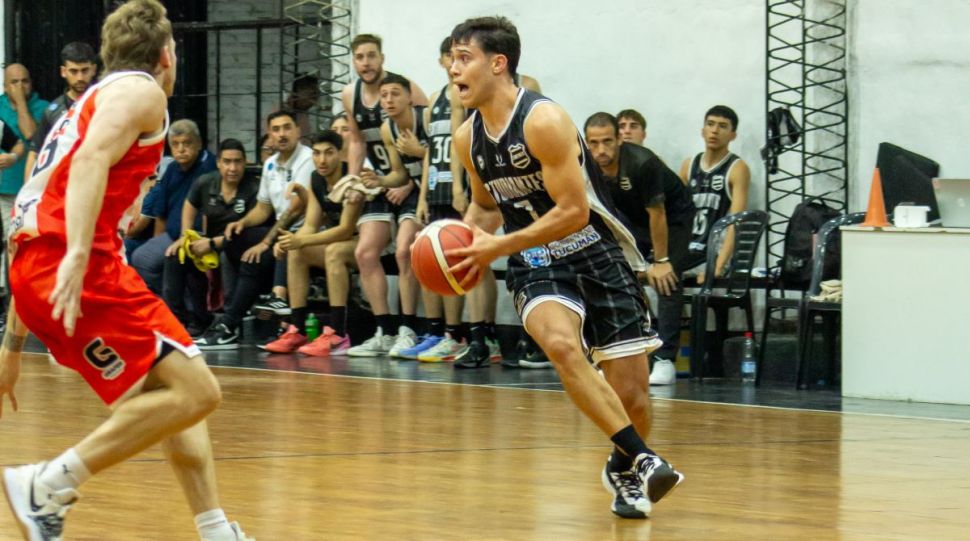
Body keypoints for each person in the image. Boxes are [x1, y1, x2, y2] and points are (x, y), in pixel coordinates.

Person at [0, 2, 253, 540]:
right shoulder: (143, 92)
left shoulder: (84, 106)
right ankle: (47, 483)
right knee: (200, 393)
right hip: (78, 265)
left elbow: (33, 214)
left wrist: (11, 347)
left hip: (38, 270)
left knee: (170, 397)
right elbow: (91, 160)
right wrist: (76, 253)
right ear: (166, 54)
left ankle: (215, 531)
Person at [447, 16, 683, 519]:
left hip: (594, 251)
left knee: (633, 397)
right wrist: (459, 249)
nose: (453, 69)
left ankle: (623, 464)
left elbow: (573, 212)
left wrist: (499, 243)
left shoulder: (544, 121)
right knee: (559, 344)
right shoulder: (466, 139)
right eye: (451, 59)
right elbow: (486, 207)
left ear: (498, 63)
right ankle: (644, 459)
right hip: (536, 261)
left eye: (464, 58)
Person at [585, 112, 696, 386]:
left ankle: (665, 360)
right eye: (594, 143)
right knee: (611, 275)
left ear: (619, 140)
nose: (601, 150)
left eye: (607, 141)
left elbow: (657, 214)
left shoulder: (642, 163)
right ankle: (620, 355)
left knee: (667, 278)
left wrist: (662, 260)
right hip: (632, 220)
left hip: (673, 218)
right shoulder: (584, 165)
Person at [195, 110, 312, 349]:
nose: (282, 134)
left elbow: (296, 209)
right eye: (276, 129)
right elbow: (263, 208)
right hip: (279, 231)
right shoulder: (270, 164)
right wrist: (242, 222)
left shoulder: (307, 159)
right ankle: (233, 321)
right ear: (269, 134)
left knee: (257, 257)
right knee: (235, 237)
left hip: (304, 231)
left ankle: (230, 324)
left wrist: (265, 242)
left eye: (287, 127)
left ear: (298, 131)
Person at [261, 130, 363, 355]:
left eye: (329, 153)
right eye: (316, 153)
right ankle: (297, 330)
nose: (322, 160)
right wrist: (290, 241)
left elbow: (345, 230)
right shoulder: (316, 179)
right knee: (297, 252)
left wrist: (301, 239)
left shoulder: (351, 177)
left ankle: (338, 334)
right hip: (344, 243)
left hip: (367, 244)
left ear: (341, 154)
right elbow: (310, 224)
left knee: (334, 251)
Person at [346, 73, 425, 358]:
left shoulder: (425, 118)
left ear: (409, 97)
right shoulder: (386, 128)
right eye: (385, 96)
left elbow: (440, 156)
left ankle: (409, 328)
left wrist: (417, 159)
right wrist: (377, 181)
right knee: (364, 253)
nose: (389, 100)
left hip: (424, 189)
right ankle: (385, 330)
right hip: (398, 185)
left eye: (395, 94)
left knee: (405, 251)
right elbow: (398, 172)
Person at [406, 37, 471, 363]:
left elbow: (462, 144)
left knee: (454, 263)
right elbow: (431, 151)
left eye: (458, 55)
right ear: (441, 60)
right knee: (428, 259)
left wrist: (460, 188)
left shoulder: (465, 96)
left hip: (458, 189)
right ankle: (435, 332)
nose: (452, 61)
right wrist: (422, 197)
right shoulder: (434, 99)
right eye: (448, 55)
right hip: (435, 189)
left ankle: (454, 334)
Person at [162, 138, 259, 336]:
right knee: (176, 255)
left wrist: (212, 244)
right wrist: (185, 236)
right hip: (208, 243)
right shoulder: (206, 182)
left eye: (237, 161)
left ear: (245, 162)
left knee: (226, 256)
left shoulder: (254, 188)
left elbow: (249, 230)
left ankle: (229, 323)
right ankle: (182, 320)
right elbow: (190, 204)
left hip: (237, 245)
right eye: (227, 161)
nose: (232, 168)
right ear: (218, 163)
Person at [131, 119, 215, 294]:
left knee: (179, 261)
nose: (181, 149)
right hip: (171, 235)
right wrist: (156, 242)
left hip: (199, 237)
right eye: (175, 144)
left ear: (199, 144)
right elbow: (161, 213)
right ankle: (169, 301)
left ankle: (181, 302)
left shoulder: (210, 166)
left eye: (187, 143)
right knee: (141, 258)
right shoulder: (171, 169)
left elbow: (211, 212)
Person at [678, 105, 751, 282]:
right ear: (702, 130)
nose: (715, 131)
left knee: (670, 278)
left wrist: (718, 267)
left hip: (714, 254)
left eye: (722, 126)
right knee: (647, 273)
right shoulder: (689, 165)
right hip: (687, 250)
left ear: (733, 135)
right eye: (710, 124)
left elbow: (736, 222)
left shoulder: (737, 168)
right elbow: (675, 214)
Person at [24, 42, 99, 179]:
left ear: (93, 69)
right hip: (61, 183)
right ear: (63, 72)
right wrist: (28, 190)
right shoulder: (52, 111)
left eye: (84, 70)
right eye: (73, 71)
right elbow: (35, 153)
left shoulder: (104, 103)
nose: (80, 78)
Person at [0, 63, 48, 238]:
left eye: (25, 81)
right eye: (14, 82)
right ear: (5, 87)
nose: (20, 87)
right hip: (3, 193)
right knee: (8, 242)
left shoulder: (44, 108)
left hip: (33, 192)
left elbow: (30, 134)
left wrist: (20, 102)